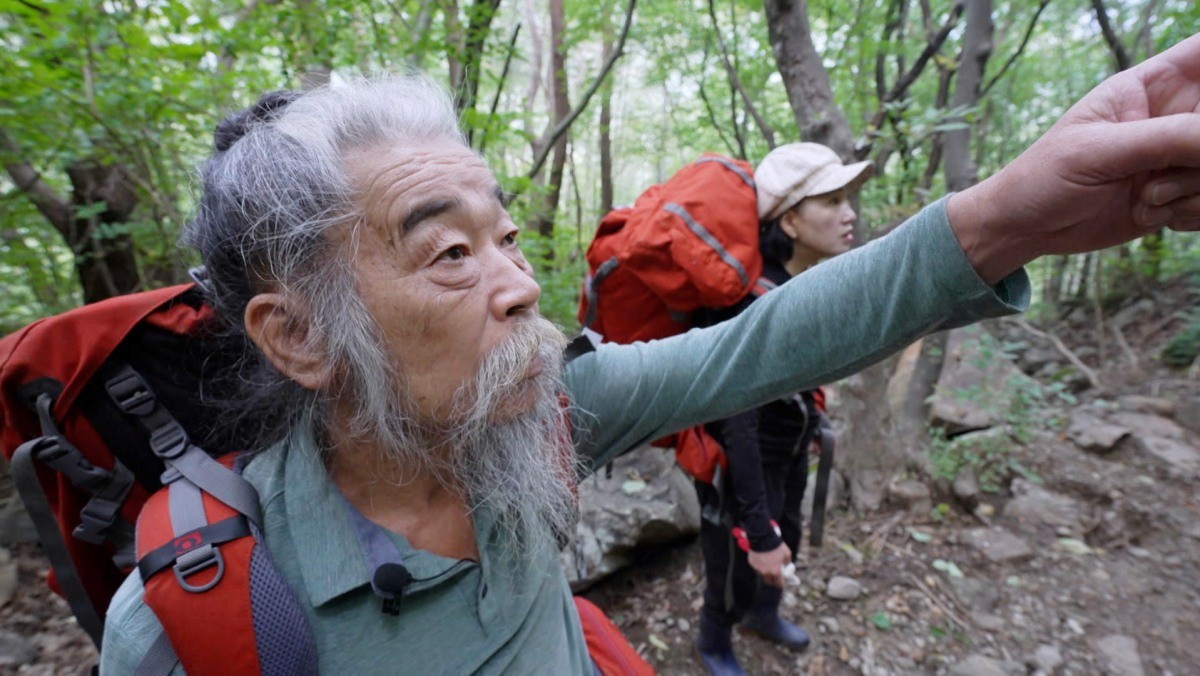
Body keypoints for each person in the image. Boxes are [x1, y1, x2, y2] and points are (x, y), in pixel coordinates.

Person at [100, 31, 1200, 673]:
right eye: (449, 254)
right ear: (298, 336)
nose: (520, 285)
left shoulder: (542, 411)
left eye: (507, 238)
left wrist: (1012, 216)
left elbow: (764, 343)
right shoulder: (193, 622)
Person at [692, 142, 872, 675]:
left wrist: (810, 422)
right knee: (738, 557)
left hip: (789, 449)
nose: (849, 213)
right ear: (790, 222)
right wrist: (757, 529)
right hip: (741, 465)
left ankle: (764, 614)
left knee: (786, 538)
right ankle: (714, 641)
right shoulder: (750, 301)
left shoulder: (800, 285)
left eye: (846, 199)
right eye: (832, 201)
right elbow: (737, 422)